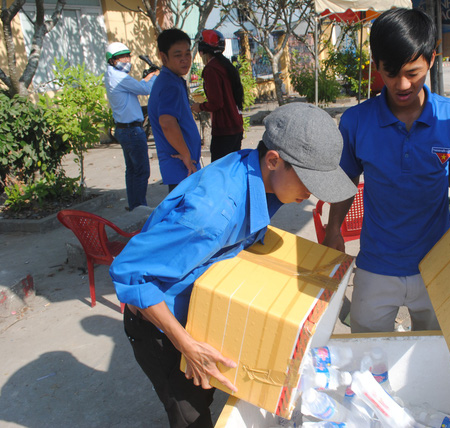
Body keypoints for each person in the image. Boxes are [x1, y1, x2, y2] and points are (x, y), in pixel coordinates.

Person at [109, 103, 357, 428]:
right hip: (161, 326)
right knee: (191, 413)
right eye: (308, 182)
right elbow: (130, 272)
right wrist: (187, 345)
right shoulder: (211, 215)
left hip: (202, 306)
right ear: (273, 160)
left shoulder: (260, 176)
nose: (311, 194)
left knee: (209, 392)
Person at [323, 8, 450, 334]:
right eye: (390, 72)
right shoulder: (356, 122)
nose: (402, 84)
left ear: (432, 59)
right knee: (366, 355)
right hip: (376, 266)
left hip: (438, 263)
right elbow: (347, 179)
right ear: (376, 64)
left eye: (413, 72)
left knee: (439, 353)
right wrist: (333, 228)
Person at [104, 42, 158, 210]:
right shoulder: (119, 77)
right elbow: (144, 89)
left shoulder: (112, 75)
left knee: (132, 170)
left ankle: (134, 205)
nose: (126, 60)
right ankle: (140, 207)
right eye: (122, 57)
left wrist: (147, 77)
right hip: (132, 130)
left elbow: (137, 86)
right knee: (141, 171)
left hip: (124, 129)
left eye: (127, 56)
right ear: (112, 60)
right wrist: (155, 75)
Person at [148, 28, 201, 192]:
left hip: (183, 165)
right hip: (181, 165)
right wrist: (186, 155)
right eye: (178, 55)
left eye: (187, 54)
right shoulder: (169, 84)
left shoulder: (173, 80)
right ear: (163, 57)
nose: (185, 60)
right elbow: (167, 122)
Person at [191, 30, 245, 163]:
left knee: (220, 173)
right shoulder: (225, 65)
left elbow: (216, 103)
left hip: (224, 130)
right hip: (235, 127)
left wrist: (200, 106)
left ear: (202, 50)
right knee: (232, 170)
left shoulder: (211, 69)